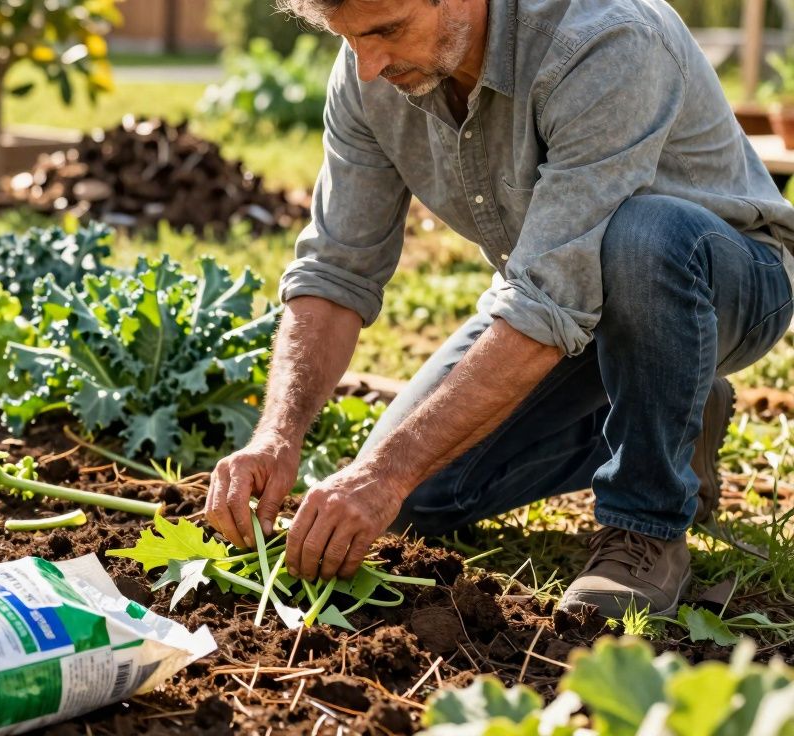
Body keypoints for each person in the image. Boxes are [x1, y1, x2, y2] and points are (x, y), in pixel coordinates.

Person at [203, 0, 794, 618]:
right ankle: (675, 413)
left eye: (387, 32)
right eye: (349, 38)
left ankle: (646, 525)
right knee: (414, 499)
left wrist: (383, 471)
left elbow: (547, 298)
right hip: (558, 303)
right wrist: (277, 436)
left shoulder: (605, 40)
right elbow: (335, 270)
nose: (368, 65)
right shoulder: (369, 75)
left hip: (718, 282)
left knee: (643, 234)